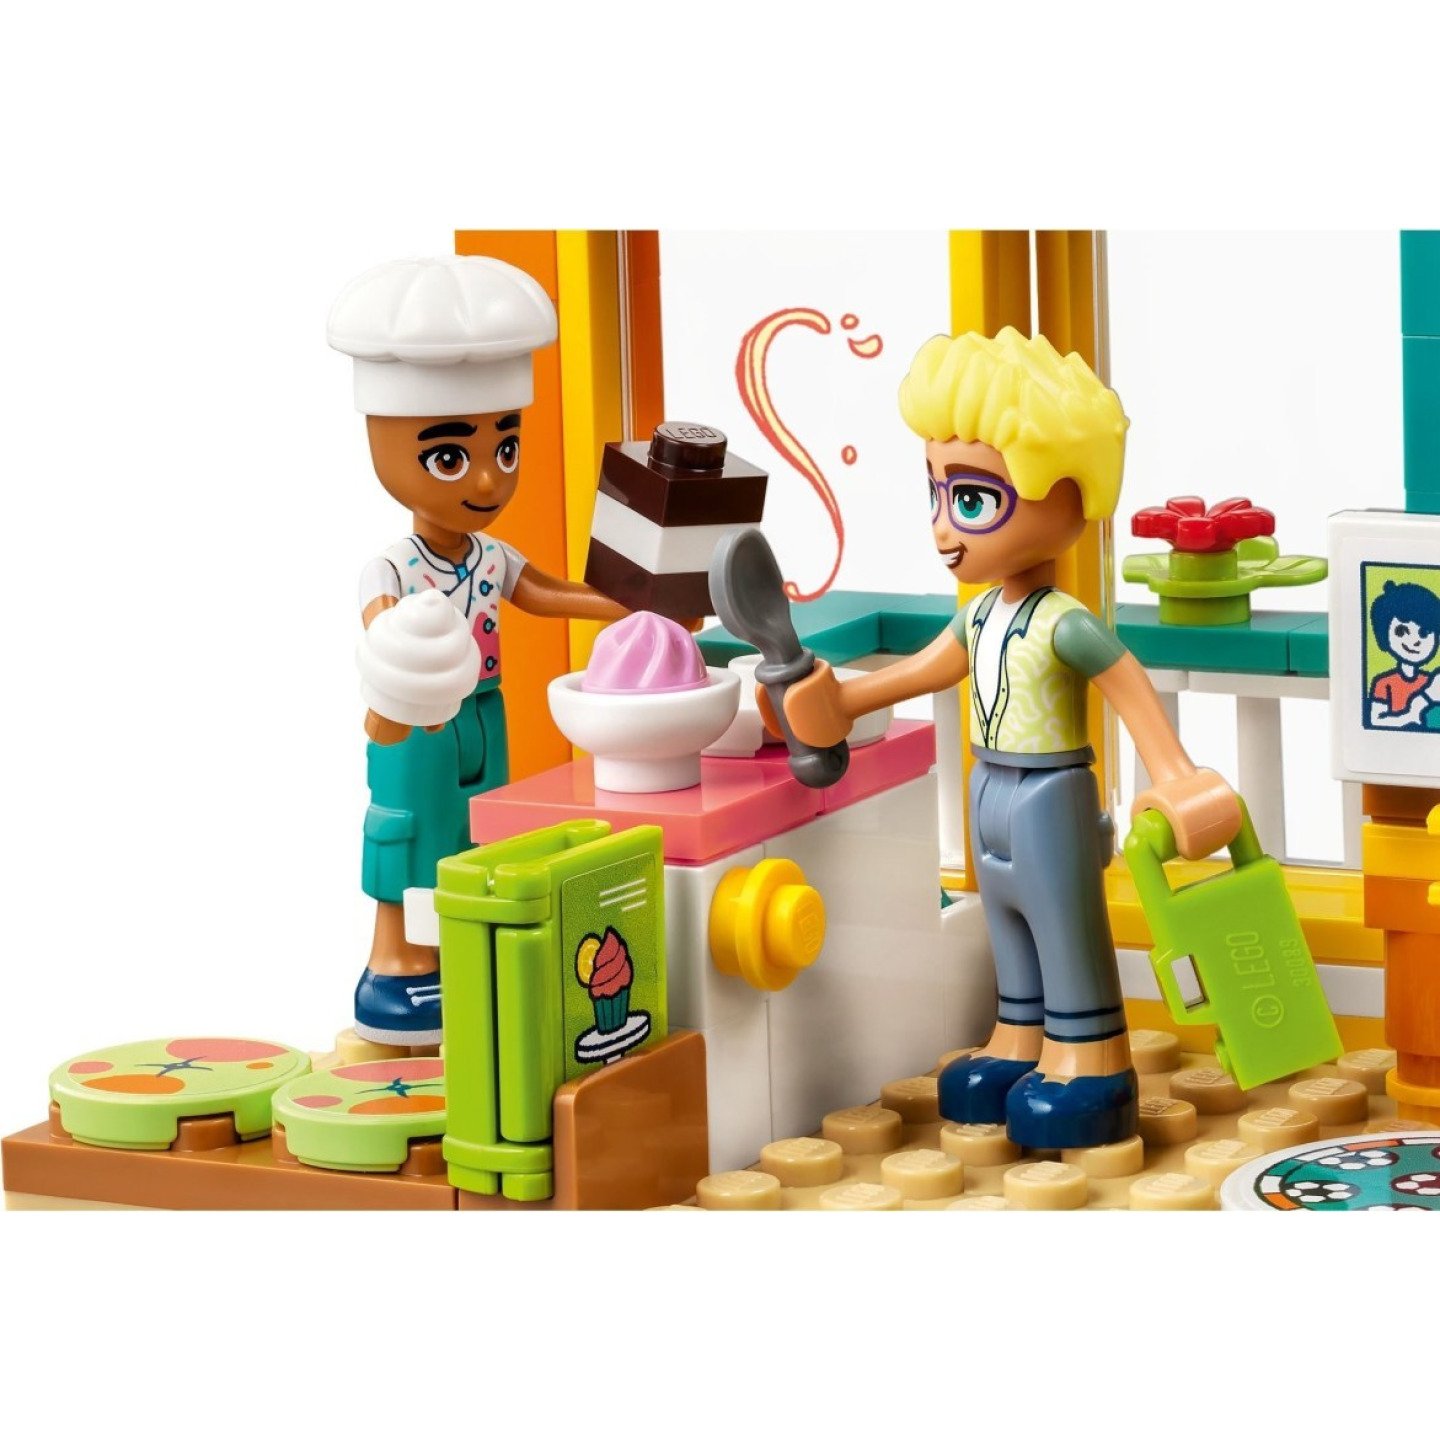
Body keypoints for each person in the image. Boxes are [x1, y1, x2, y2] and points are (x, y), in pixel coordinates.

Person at [772, 328, 1242, 1148]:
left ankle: (1092, 1059)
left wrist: (1173, 773)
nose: (943, 527)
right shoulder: (981, 614)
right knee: (1009, 925)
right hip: (990, 785)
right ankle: (1019, 1038)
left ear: (1064, 494)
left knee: (1064, 923)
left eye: (972, 500)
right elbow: (926, 669)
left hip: (1051, 793)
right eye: (935, 494)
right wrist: (843, 700)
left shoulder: (1064, 622)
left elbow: (1128, 685)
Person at [329, 256, 625, 1046]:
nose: (489, 481)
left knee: (479, 831)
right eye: (451, 456)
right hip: (415, 726)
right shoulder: (393, 567)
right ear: (384, 446)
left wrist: (633, 602)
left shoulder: (490, 556)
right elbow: (384, 640)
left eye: (507, 448)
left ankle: (464, 949)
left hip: (485, 714)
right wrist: (399, 683)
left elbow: (548, 593)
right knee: (407, 832)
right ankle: (395, 960)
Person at [1366, 578, 1440, 730]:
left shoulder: (1431, 681)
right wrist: (1411, 714)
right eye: (1401, 631)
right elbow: (1375, 720)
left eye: (1424, 632)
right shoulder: (1383, 683)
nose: (1415, 641)